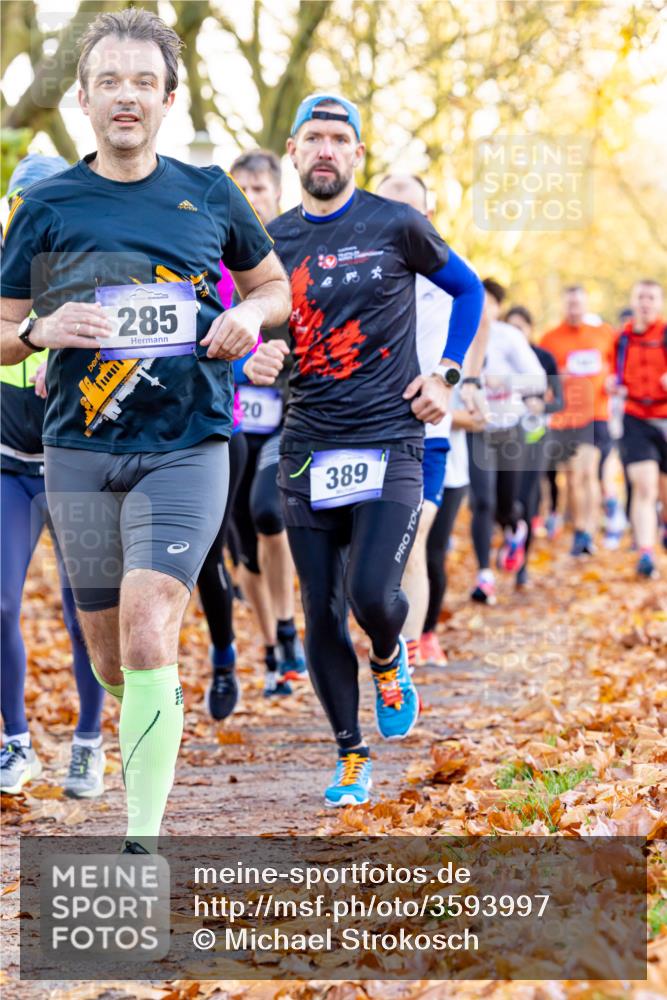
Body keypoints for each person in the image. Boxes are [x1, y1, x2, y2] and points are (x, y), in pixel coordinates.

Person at [0, 9, 291, 852]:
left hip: (187, 444)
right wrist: (38, 331)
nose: (125, 96)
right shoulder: (46, 205)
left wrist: (250, 318)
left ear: (168, 99)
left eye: (142, 82)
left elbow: (273, 287)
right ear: (84, 100)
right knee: (109, 658)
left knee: (147, 624)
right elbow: (3, 327)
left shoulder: (210, 193)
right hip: (79, 451)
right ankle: (150, 711)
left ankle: (141, 839)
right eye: (108, 82)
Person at [258, 92, 483, 807]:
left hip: (391, 436)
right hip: (306, 445)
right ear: (293, 151)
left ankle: (389, 656)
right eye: (312, 138)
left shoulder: (396, 224)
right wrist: (252, 356)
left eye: (337, 139)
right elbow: (241, 323)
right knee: (321, 608)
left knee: (371, 596)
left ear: (356, 153)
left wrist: (446, 375)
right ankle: (350, 754)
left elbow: (468, 290)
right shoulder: (268, 243)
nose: (324, 149)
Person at [1, 154, 106, 798]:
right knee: (0, 603)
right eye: (21, 206)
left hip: (77, 468)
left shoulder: (95, 270)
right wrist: (32, 337)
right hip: (8, 469)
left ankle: (89, 745)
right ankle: (15, 741)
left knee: (84, 613)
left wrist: (73, 361)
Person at [375, 173, 487, 667]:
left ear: (428, 217)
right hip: (361, 428)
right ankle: (379, 640)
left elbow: (479, 309)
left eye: (410, 211)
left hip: (427, 431)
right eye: (387, 208)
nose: (398, 221)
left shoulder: (446, 267)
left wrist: (462, 376)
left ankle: (407, 657)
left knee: (413, 538)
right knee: (365, 553)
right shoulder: (356, 267)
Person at [229, 150, 306, 697]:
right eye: (242, 190)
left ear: (278, 193)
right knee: (241, 549)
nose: (251, 199)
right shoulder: (212, 252)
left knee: (267, 512)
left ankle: (287, 623)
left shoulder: (295, 253)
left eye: (259, 189)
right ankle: (272, 649)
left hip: (287, 415)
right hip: (230, 419)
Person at [467, 281, 547, 604]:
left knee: (505, 503)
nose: (483, 309)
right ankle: (484, 575)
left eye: (489, 303)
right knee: (482, 502)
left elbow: (539, 380)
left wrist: (505, 382)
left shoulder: (509, 337)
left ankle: (514, 525)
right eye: (478, 302)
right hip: (477, 428)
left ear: (498, 307)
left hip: (510, 429)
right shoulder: (459, 332)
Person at [540, 286, 617, 556]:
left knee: (588, 473)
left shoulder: (604, 334)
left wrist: (612, 380)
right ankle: (580, 530)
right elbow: (542, 376)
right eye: (570, 303)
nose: (574, 308)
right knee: (572, 478)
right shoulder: (550, 338)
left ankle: (588, 532)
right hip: (565, 417)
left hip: (595, 413)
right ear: (564, 306)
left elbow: (617, 365)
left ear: (586, 305)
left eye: (579, 303)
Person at [504, 305, 563, 587]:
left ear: (530, 330)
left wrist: (542, 406)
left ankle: (523, 565)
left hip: (535, 436)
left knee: (527, 498)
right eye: (510, 328)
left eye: (520, 328)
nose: (515, 334)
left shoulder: (544, 358)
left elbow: (560, 401)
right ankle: (511, 535)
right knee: (503, 501)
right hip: (503, 437)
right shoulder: (497, 356)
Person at [615, 279, 667, 578]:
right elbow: (605, 368)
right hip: (635, 417)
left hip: (665, 416)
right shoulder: (620, 339)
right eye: (641, 297)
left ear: (659, 303)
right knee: (645, 486)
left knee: (664, 492)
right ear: (633, 302)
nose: (646, 303)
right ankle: (646, 552)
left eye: (651, 297)